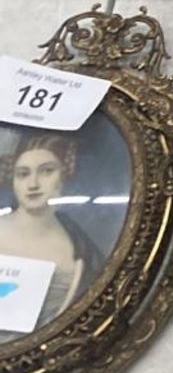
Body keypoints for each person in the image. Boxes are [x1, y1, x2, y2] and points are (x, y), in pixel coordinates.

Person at [0, 132, 106, 328]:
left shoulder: (79, 247)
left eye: (46, 171)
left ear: (64, 175)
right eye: (23, 174)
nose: (33, 184)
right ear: (12, 181)